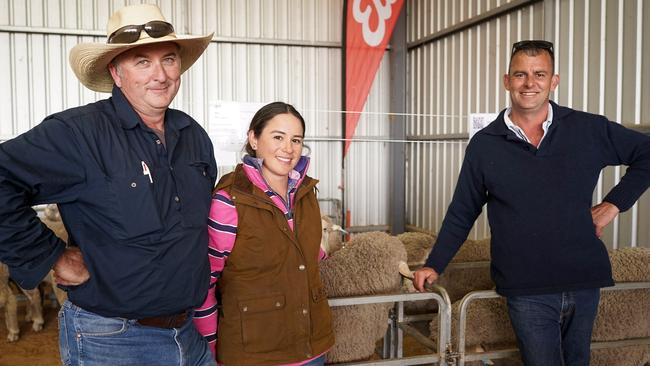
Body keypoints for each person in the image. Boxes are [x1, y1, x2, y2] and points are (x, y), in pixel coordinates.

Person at [0, 4, 217, 365]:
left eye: (168, 59)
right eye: (142, 62)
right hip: (112, 341)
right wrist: (50, 255)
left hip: (188, 336)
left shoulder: (192, 135)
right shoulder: (78, 134)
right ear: (116, 72)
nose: (160, 75)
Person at [414, 40, 650, 366]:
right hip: (527, 288)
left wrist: (614, 204)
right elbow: (463, 210)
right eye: (520, 74)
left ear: (554, 81)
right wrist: (434, 264)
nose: (530, 83)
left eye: (540, 74)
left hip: (584, 280)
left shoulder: (588, 129)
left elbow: (646, 153)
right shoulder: (486, 145)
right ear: (506, 80)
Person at [193, 102, 335, 365]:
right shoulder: (228, 201)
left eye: (296, 140)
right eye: (278, 137)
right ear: (254, 139)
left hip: (312, 347)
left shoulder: (306, 194)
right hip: (254, 352)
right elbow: (205, 284)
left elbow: (307, 254)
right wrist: (210, 348)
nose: (288, 148)